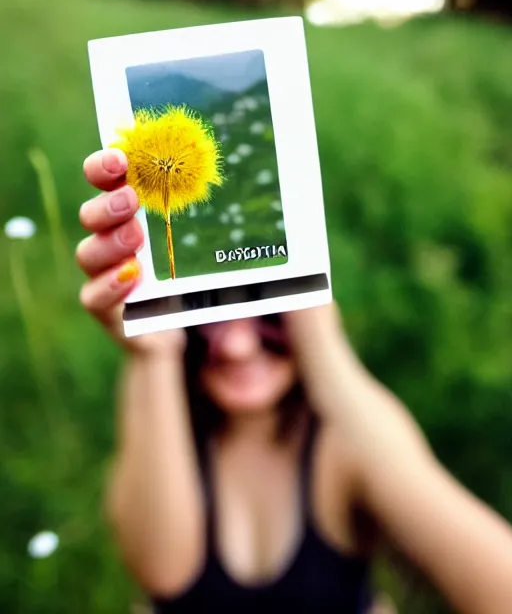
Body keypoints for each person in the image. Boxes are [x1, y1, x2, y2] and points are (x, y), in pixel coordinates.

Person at [76, 147, 512, 614]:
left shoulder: (344, 442)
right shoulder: (170, 425)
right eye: (209, 311)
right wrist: (153, 354)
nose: (238, 346)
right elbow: (161, 574)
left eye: (267, 314)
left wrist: (325, 351)